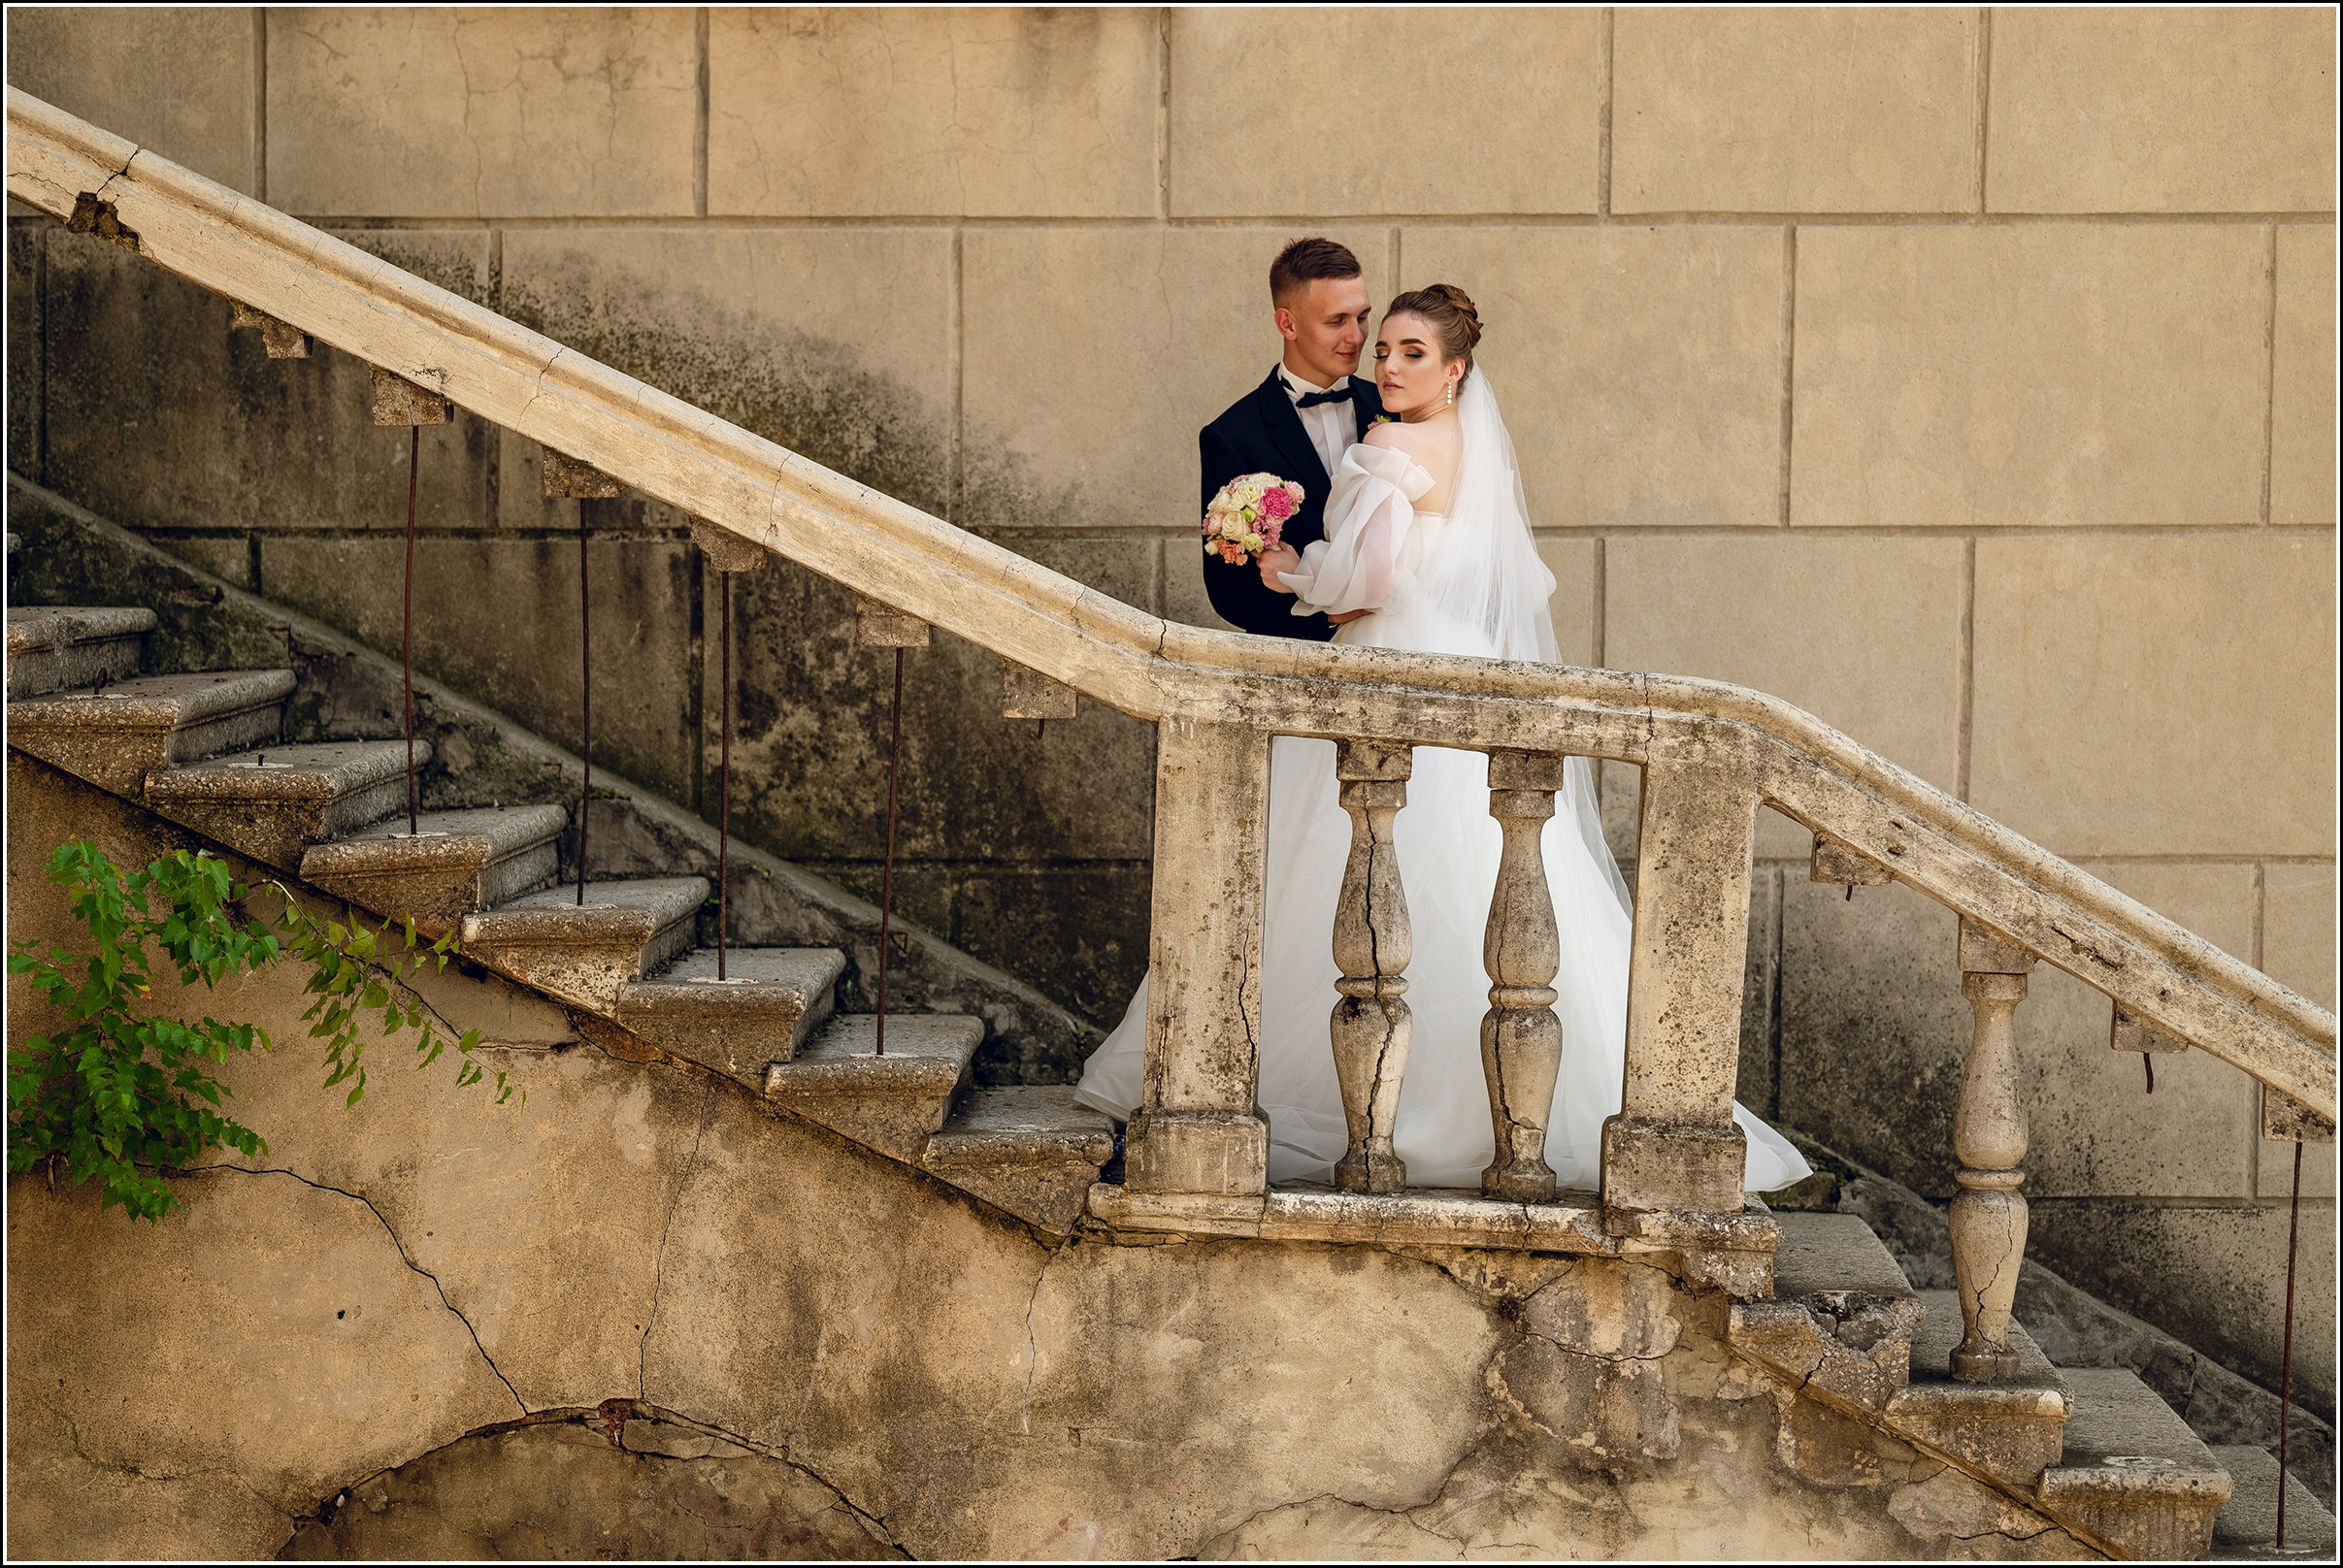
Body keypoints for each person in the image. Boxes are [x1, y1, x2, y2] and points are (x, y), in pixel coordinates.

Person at [1078, 276, 1812, 1195]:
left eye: (1409, 352)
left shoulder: (1388, 442)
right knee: (1464, 884)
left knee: (1346, 880)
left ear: (1456, 368)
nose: (1385, 364)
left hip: (1389, 670)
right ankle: (1520, 1109)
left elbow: (1371, 583)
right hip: (1457, 662)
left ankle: (1394, 1109)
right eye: (1381, 348)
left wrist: (1291, 572)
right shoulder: (1472, 448)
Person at [1197, 238, 1388, 640]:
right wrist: (1334, 618)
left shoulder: (1394, 410)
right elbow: (1229, 591)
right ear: (1287, 324)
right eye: (1336, 321)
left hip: (1399, 643)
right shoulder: (1231, 436)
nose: (1356, 336)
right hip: (1293, 667)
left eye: (1363, 317)